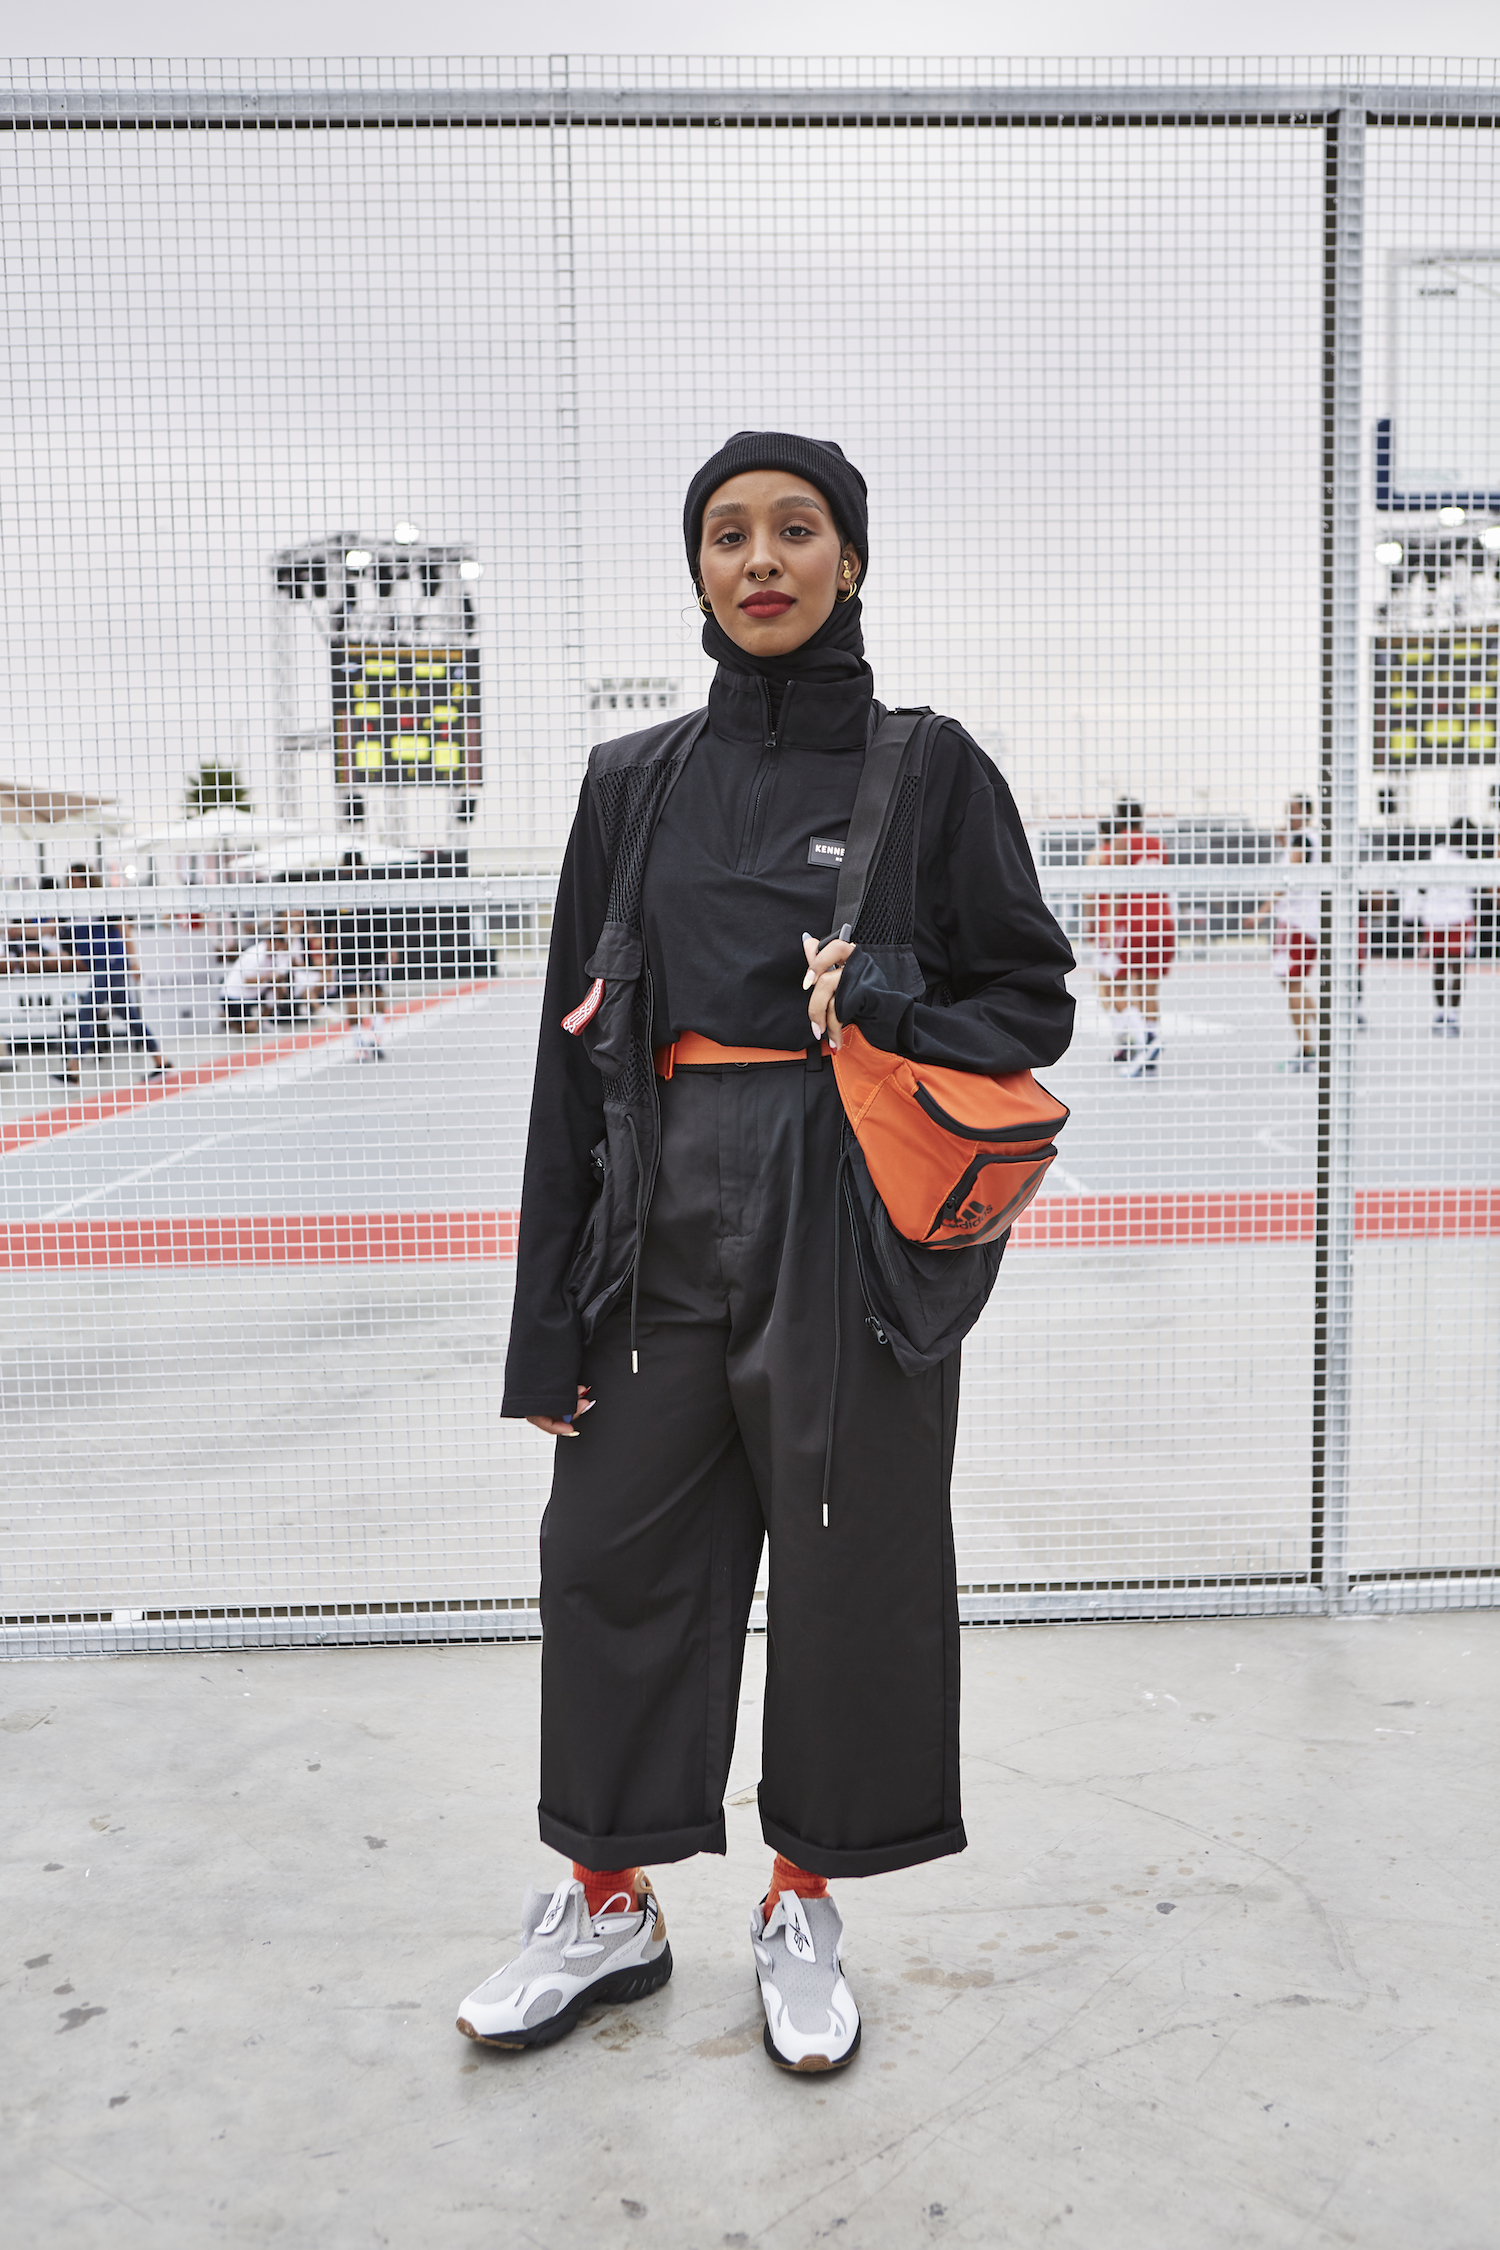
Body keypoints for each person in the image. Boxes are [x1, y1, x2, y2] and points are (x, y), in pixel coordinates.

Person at [458, 432, 1075, 2071]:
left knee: (849, 1571)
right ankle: (605, 1900)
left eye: (797, 530)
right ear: (699, 572)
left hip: (846, 1230)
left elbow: (1032, 1004)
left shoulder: (928, 768)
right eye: (727, 535)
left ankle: (804, 1897)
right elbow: (570, 1063)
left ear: (850, 560)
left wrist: (883, 998)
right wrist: (542, 1325)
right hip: (658, 1225)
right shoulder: (630, 783)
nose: (761, 560)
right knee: (604, 1557)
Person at [51, 865, 172, 1088]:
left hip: (112, 963)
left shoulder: (101, 900)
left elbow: (123, 927)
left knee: (87, 1011)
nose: (69, 881)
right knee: (128, 1014)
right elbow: (57, 933)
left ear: (85, 880)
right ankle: (161, 1061)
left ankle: (74, 1068)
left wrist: (133, 960)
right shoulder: (68, 909)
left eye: (73, 878)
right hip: (99, 966)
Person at [1084, 797, 1174, 1077]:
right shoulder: (1157, 843)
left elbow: (1117, 886)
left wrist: (1107, 924)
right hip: (1161, 920)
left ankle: (1143, 1040)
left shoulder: (1121, 842)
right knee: (1147, 988)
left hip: (1132, 922)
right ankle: (1148, 1043)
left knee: (1112, 988)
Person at [1245, 794, 1322, 1073]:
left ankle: (1312, 1047)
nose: (1288, 815)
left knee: (1292, 983)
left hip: (1297, 922)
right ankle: (1316, 1042)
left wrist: (1263, 910)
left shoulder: (1302, 840)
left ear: (1306, 812)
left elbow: (1289, 879)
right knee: (1292, 983)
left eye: (1293, 810)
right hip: (1305, 921)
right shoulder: (1307, 839)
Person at [1401, 824, 1478, 1037]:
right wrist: (1410, 917)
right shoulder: (1436, 855)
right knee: (1446, 967)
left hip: (1454, 917)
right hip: (1440, 917)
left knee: (1452, 967)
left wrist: (1410, 917)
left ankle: (1449, 1013)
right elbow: (1418, 887)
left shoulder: (1465, 858)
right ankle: (1444, 1012)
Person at [219, 930, 293, 1030]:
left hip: (254, 994)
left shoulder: (275, 955)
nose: (277, 950)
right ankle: (225, 1020)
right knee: (250, 1028)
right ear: (268, 941)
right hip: (234, 996)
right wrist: (269, 976)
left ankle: (263, 1022)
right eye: (276, 947)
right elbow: (248, 980)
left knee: (276, 991)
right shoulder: (255, 955)